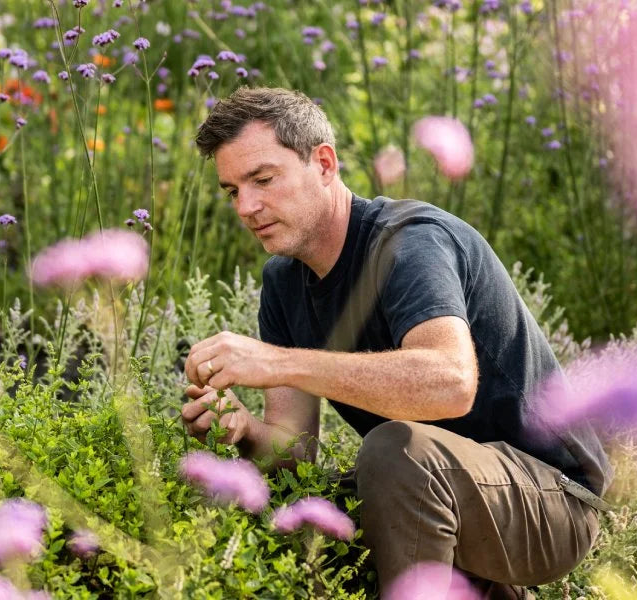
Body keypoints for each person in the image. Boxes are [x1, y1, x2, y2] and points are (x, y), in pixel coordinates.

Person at [178, 87, 611, 598]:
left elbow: (449, 384)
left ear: (322, 163)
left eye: (263, 179)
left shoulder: (410, 241)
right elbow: (295, 458)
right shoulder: (283, 282)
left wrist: (278, 362)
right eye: (232, 191)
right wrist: (245, 429)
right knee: (304, 515)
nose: (247, 207)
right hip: (444, 488)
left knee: (393, 452)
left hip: (552, 503)